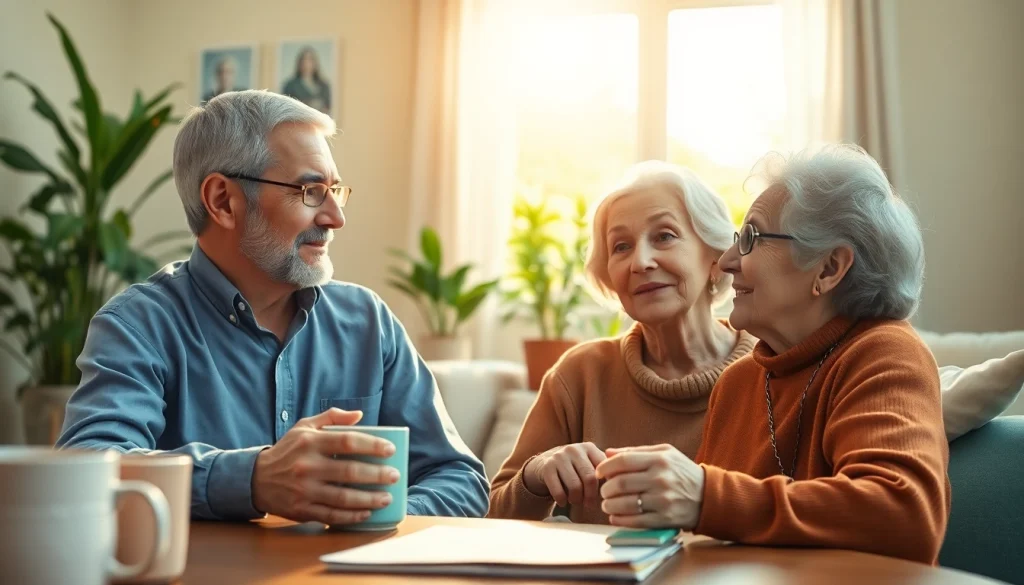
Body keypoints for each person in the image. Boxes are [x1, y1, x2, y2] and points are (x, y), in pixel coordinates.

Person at [57, 90, 489, 525]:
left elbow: (459, 478)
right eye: (310, 191)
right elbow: (89, 466)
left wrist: (371, 517)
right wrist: (253, 480)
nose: (336, 217)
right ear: (223, 201)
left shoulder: (367, 322)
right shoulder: (138, 325)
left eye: (335, 190)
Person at [595, 145, 949, 564]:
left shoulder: (884, 354)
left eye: (751, 238)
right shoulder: (739, 382)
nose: (727, 262)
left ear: (829, 268)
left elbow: (903, 514)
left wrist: (705, 495)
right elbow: (708, 544)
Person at [488, 161, 757, 524]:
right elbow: (491, 514)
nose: (640, 262)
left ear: (715, 256)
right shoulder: (578, 374)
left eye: (664, 236)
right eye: (621, 246)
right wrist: (536, 476)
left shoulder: (773, 366)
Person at [281, 47, 331, 115]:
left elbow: (328, 107)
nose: (306, 63)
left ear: (315, 63)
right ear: (299, 63)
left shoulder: (324, 86)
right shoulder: (290, 85)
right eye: (304, 60)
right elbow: (285, 109)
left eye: (309, 60)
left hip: (318, 122)